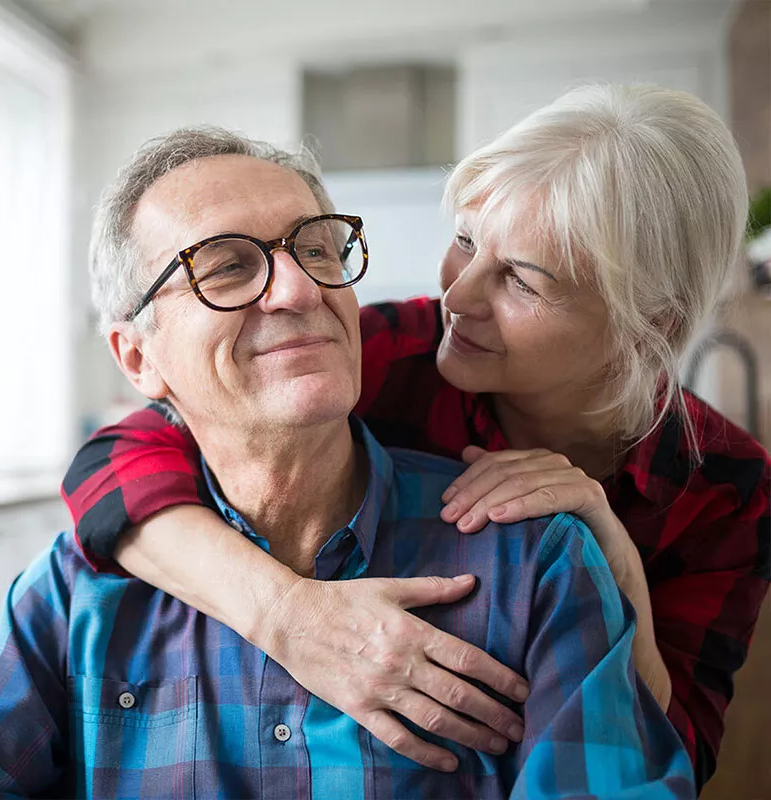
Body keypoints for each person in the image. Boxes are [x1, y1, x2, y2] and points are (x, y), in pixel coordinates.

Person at [62, 84, 770, 791]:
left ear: (654, 323)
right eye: (465, 241)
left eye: (521, 279)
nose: (456, 297)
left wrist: (618, 567)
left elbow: (676, 751)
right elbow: (112, 463)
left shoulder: (726, 488)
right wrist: (287, 616)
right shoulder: (389, 352)